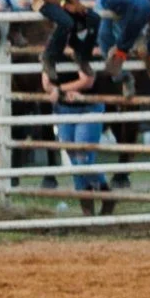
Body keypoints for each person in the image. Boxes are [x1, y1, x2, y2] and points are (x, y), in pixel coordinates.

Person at [42, 63, 114, 216]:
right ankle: (90, 205)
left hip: (89, 105)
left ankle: (104, 194)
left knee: (82, 159)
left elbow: (88, 80)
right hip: (64, 107)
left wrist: (60, 90)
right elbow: (46, 82)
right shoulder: (52, 52)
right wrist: (61, 91)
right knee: (75, 160)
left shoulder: (83, 50)